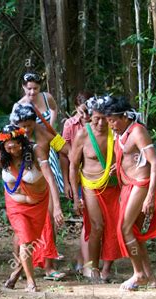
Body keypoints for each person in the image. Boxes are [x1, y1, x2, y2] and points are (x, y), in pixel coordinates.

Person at [103, 96, 156, 290]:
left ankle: (138, 274)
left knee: (125, 228)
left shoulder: (137, 131)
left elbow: (155, 162)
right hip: (129, 185)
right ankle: (149, 276)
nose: (111, 125)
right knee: (135, 233)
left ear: (125, 116)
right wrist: (117, 167)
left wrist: (150, 196)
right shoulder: (122, 133)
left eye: (113, 120)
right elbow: (131, 158)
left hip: (141, 185)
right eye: (108, 120)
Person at [0, 125, 61, 292]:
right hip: (16, 205)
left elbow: (50, 179)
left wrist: (57, 207)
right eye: (7, 147)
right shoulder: (3, 156)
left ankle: (16, 273)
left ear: (22, 142)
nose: (11, 150)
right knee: (25, 241)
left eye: (15, 145)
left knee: (30, 242)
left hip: (38, 204)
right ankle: (31, 283)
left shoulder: (35, 151)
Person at [69, 96, 122, 283]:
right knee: (97, 226)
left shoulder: (117, 132)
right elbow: (73, 166)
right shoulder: (83, 134)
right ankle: (92, 267)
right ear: (90, 116)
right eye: (96, 118)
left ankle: (107, 268)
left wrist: (120, 166)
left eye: (104, 118)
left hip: (113, 187)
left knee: (114, 228)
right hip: (90, 186)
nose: (100, 123)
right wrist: (76, 196)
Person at [13, 71, 71, 199]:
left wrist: (50, 124)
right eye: (29, 89)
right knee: (39, 176)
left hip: (49, 139)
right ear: (23, 87)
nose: (33, 92)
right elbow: (14, 131)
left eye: (36, 88)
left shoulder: (46, 97)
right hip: (32, 145)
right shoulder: (18, 106)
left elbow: (54, 109)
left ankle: (58, 203)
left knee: (55, 171)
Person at [63, 91, 94, 274]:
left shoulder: (100, 123)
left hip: (96, 177)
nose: (86, 116)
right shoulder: (70, 125)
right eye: (82, 112)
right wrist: (67, 183)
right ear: (76, 109)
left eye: (89, 112)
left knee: (92, 221)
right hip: (78, 177)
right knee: (87, 220)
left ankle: (84, 260)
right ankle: (85, 264)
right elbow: (65, 158)